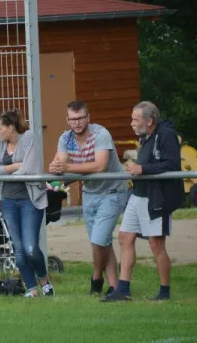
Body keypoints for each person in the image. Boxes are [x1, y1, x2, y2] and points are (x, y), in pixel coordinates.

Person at [103, 101, 184, 302]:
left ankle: (164, 292)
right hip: (138, 195)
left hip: (157, 198)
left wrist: (143, 169)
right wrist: (138, 168)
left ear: (149, 121)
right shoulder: (144, 137)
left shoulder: (166, 135)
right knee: (125, 237)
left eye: (135, 119)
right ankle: (123, 289)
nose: (131, 123)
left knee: (156, 244)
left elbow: (172, 165)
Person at [49, 101, 128, 296]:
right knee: (103, 241)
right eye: (73, 119)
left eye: (80, 118)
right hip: (90, 193)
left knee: (99, 239)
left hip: (112, 191)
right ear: (67, 120)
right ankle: (114, 287)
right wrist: (55, 171)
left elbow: (100, 166)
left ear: (88, 118)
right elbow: (62, 164)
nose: (76, 123)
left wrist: (65, 168)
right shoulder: (65, 138)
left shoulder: (101, 134)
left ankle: (96, 278)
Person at [0, 109, 54, 297]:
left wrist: (9, 171)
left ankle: (44, 281)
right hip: (8, 200)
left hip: (29, 199)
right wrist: (14, 167)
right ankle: (31, 288)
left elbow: (29, 168)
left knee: (31, 248)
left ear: (10, 128)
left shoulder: (28, 138)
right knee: (18, 250)